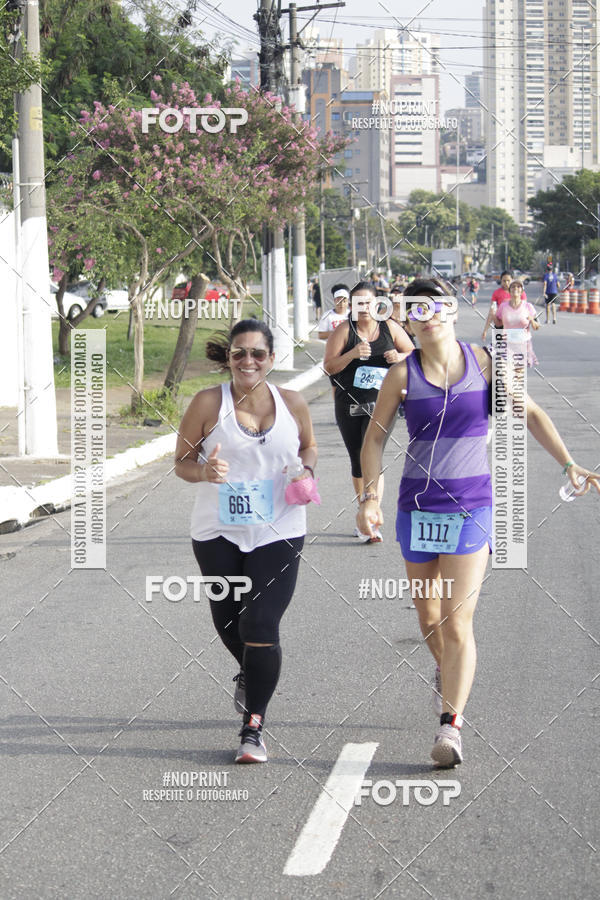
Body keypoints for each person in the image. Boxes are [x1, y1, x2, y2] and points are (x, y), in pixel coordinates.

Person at [356, 277, 600, 767]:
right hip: (417, 509)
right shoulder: (401, 376)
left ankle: (451, 727)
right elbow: (375, 439)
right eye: (416, 310)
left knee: (456, 619)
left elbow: (528, 414)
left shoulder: (485, 364)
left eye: (437, 306)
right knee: (429, 620)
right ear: (407, 319)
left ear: (452, 310)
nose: (428, 317)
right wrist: (369, 496)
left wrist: (569, 463)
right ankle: (448, 677)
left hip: (472, 506)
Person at [175, 319, 318, 764]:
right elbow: (180, 460)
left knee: (260, 626)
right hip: (217, 531)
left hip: (280, 528)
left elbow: (309, 447)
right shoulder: (207, 402)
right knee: (229, 623)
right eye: (240, 353)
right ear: (229, 358)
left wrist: (306, 470)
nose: (248, 361)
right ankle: (252, 671)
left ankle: (253, 727)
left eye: (258, 353)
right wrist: (204, 472)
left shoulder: (292, 402)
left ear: (271, 359)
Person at [323, 281, 413, 542]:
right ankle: (364, 509)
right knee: (357, 459)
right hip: (348, 404)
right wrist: (352, 354)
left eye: (368, 303)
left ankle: (370, 517)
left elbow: (412, 353)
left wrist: (399, 356)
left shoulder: (389, 327)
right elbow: (329, 367)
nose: (363, 308)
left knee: (371, 452)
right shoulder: (343, 331)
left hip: (383, 404)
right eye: (358, 303)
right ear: (351, 306)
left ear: (378, 305)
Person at [495, 279, 540, 367]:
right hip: (507, 344)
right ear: (509, 290)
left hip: (523, 343)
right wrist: (492, 315)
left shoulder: (528, 306)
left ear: (522, 291)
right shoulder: (503, 306)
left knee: (518, 375)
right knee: (505, 373)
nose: (515, 288)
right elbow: (498, 324)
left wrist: (531, 320)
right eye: (513, 287)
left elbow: (537, 327)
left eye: (518, 287)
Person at [481, 271, 527, 343]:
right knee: (499, 351)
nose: (506, 283)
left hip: (515, 327)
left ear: (512, 280)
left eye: (508, 281)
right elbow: (492, 312)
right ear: (501, 281)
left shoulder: (520, 293)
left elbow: (525, 310)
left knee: (516, 350)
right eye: (504, 281)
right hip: (500, 326)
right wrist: (485, 330)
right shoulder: (496, 293)